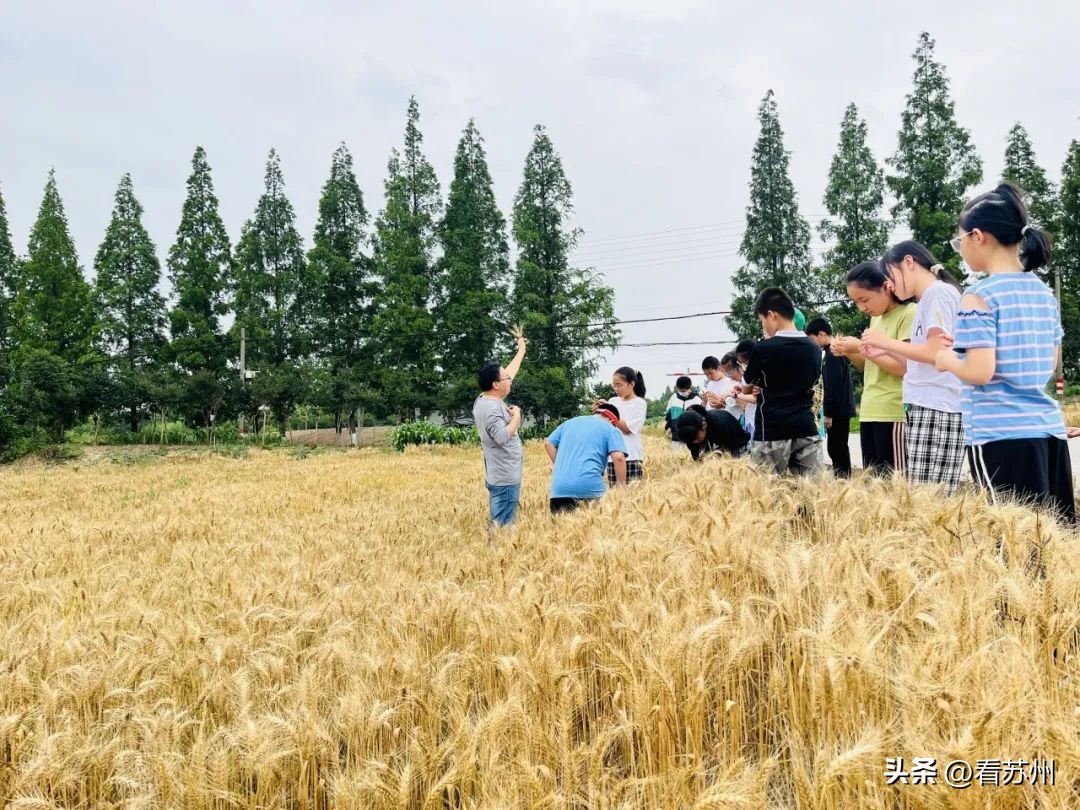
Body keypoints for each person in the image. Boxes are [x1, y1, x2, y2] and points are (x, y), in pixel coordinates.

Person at [935, 183, 1075, 523]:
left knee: (1011, 545)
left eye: (960, 240)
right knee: (1053, 540)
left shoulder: (978, 295)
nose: (961, 249)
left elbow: (981, 372)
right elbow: (1053, 361)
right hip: (1049, 433)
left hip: (1000, 435)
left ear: (978, 237)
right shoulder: (1042, 293)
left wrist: (947, 359)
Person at [860, 242, 965, 494]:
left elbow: (936, 353)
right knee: (922, 497)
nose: (890, 286)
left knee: (930, 498)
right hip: (927, 406)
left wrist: (886, 342)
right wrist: (886, 350)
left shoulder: (938, 294)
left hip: (938, 407)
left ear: (909, 262)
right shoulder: (928, 299)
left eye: (890, 277)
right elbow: (925, 353)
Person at [832, 261, 915, 476]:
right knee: (875, 484)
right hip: (869, 411)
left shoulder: (909, 313)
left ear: (886, 287)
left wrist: (861, 346)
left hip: (893, 411)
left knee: (896, 484)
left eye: (864, 299)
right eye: (856, 302)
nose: (862, 307)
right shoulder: (875, 320)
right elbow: (869, 366)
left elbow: (905, 368)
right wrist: (850, 352)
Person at [737, 287, 823, 476]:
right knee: (812, 495)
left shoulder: (764, 349)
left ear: (771, 315)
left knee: (766, 494)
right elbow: (813, 380)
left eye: (762, 321)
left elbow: (746, 385)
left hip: (772, 430)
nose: (763, 326)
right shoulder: (814, 349)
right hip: (806, 428)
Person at [472, 325, 528, 530]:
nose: (509, 380)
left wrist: (520, 351)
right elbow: (502, 437)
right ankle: (496, 556)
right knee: (502, 526)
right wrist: (517, 417)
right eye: (505, 379)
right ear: (496, 384)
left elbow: (509, 373)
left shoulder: (485, 399)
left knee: (502, 524)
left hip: (502, 473)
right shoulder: (491, 408)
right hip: (504, 477)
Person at [544, 403, 628, 514]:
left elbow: (548, 444)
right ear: (612, 421)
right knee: (594, 530)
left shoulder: (569, 423)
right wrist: (621, 488)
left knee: (560, 530)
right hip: (590, 488)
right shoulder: (609, 427)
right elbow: (618, 458)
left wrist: (561, 465)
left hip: (559, 490)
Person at [805, 317, 855, 477]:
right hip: (840, 409)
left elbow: (833, 387)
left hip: (838, 411)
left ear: (821, 334)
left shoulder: (833, 354)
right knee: (837, 448)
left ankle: (843, 481)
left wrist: (828, 414)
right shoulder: (832, 353)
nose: (813, 343)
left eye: (812, 339)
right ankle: (842, 479)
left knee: (836, 448)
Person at [595, 367, 648, 484]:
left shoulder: (640, 403)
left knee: (633, 496)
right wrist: (601, 410)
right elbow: (605, 426)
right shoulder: (613, 401)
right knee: (615, 497)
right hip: (612, 456)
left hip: (632, 457)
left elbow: (628, 429)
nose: (616, 389)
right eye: (614, 385)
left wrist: (609, 411)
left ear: (631, 384)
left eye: (619, 385)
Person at [676, 403, 750, 461]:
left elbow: (732, 456)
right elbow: (698, 459)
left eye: (696, 438)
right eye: (691, 441)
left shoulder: (721, 423)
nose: (694, 442)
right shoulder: (688, 433)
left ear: (704, 426)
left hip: (737, 445)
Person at [664, 376, 703, 453]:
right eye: (681, 391)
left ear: (690, 387)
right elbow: (668, 413)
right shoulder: (673, 397)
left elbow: (701, 416)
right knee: (676, 458)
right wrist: (668, 426)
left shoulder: (696, 399)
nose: (682, 393)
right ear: (677, 388)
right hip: (676, 435)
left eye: (684, 391)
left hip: (692, 436)